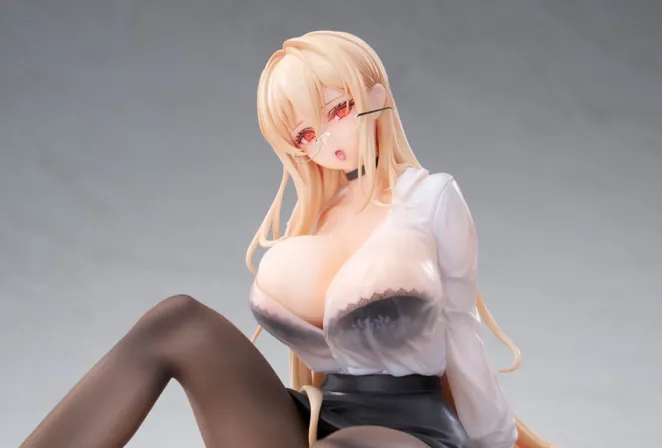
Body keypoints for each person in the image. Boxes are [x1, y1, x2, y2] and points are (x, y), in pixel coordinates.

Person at [20, 31, 558, 448]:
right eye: (304, 135)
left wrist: (496, 440)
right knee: (178, 322)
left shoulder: (430, 198)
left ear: (374, 95)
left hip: (408, 428)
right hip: (314, 418)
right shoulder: (318, 217)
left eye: (337, 110)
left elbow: (461, 331)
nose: (324, 140)